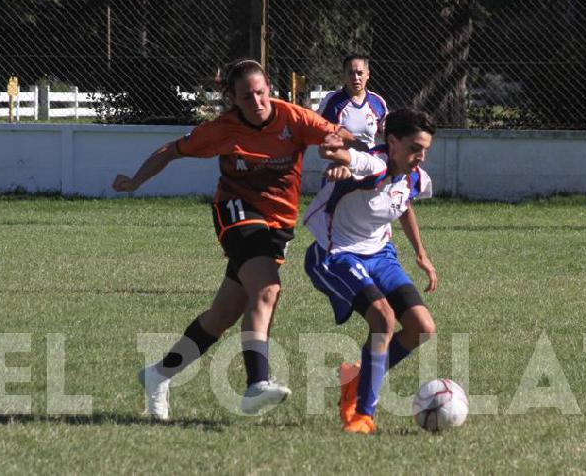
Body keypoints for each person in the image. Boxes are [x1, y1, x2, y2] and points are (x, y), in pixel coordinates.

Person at [112, 59, 356, 420]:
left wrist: (339, 145)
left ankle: (158, 375)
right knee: (267, 289)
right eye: (247, 96)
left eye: (261, 92)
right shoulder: (223, 129)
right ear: (233, 99)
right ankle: (257, 383)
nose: (257, 101)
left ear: (269, 88)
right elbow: (170, 150)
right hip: (236, 213)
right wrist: (135, 181)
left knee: (223, 315)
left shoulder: (295, 119)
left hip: (277, 226)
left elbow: (342, 137)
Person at [302, 108, 440, 434]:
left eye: (425, 150)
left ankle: (356, 376)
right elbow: (339, 155)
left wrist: (421, 254)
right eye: (414, 149)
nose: (420, 157)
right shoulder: (373, 164)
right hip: (336, 255)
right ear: (392, 142)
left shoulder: (415, 176)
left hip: (380, 255)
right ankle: (363, 415)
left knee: (422, 327)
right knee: (384, 319)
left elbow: (403, 203)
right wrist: (334, 151)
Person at [316, 54, 387, 152]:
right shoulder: (333, 101)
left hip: (370, 161)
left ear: (368, 75)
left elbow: (388, 135)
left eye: (360, 73)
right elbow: (319, 129)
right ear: (343, 76)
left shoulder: (377, 102)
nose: (355, 78)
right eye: (350, 73)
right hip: (341, 162)